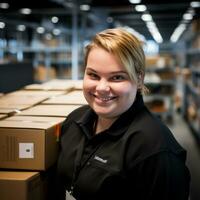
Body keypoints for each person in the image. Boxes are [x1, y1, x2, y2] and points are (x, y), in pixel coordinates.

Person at [55, 28, 190, 200]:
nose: (102, 88)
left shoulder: (156, 151)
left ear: (139, 79)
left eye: (117, 77)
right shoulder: (74, 121)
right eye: (93, 75)